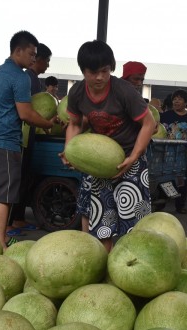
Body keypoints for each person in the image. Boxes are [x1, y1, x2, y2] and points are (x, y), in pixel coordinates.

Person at [61, 40, 156, 252]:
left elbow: (148, 123)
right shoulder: (77, 92)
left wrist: (134, 157)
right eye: (93, 72)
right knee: (102, 222)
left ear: (111, 68)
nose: (100, 77)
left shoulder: (124, 91)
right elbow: (75, 124)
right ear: (83, 71)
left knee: (134, 222)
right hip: (100, 160)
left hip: (131, 157)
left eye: (105, 71)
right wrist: (69, 150)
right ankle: (105, 266)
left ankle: (134, 263)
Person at [0, 31, 55, 249]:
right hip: (4, 141)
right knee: (3, 195)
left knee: (4, 193)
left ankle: (2, 238)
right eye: (32, 54)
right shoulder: (19, 76)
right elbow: (26, 114)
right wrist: (49, 124)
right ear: (18, 50)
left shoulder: (1, 72)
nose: (34, 58)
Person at [7, 42, 53, 238]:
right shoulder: (28, 79)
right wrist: (47, 123)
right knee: (17, 181)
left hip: (29, 134)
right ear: (39, 59)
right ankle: (10, 222)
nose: (47, 65)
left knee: (24, 179)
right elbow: (28, 111)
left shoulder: (33, 79)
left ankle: (18, 218)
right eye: (47, 61)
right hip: (23, 136)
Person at [160, 89, 187, 214]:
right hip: (167, 154)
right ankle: (162, 203)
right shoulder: (166, 115)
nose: (176, 101)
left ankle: (180, 205)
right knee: (164, 178)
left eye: (179, 99)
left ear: (186, 102)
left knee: (182, 180)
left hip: (185, 155)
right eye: (174, 99)